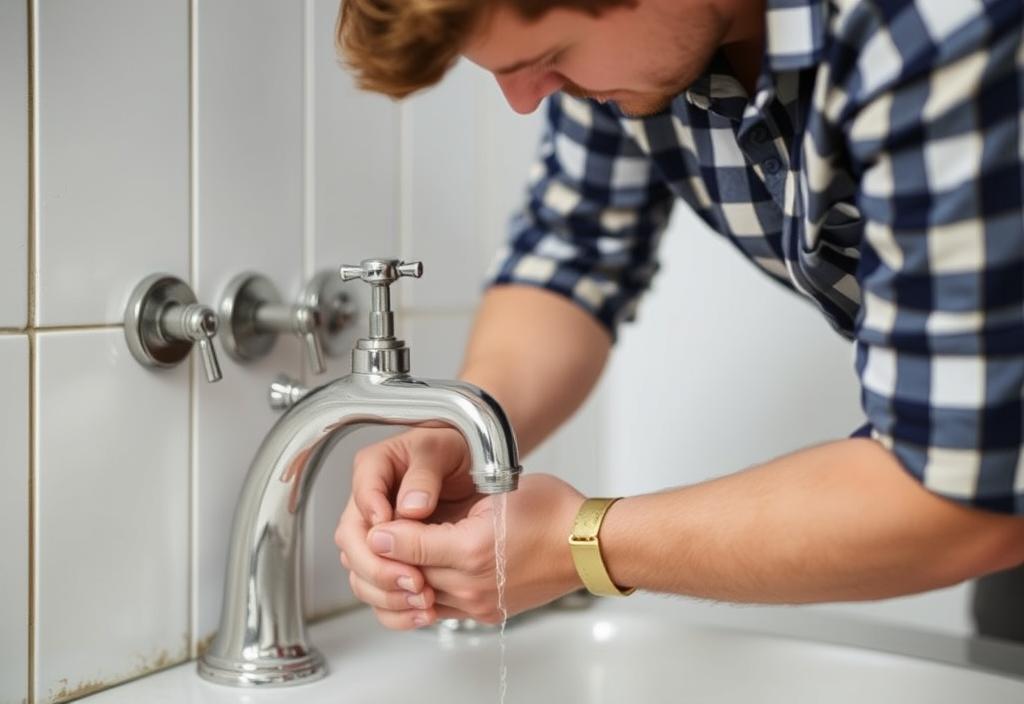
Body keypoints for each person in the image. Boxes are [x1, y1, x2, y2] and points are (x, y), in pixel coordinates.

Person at [332, 0, 1024, 638]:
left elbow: (957, 498)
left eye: (549, 56)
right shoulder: (633, 53)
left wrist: (582, 543)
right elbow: (573, 255)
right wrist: (465, 431)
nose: (523, 101)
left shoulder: (933, 27)